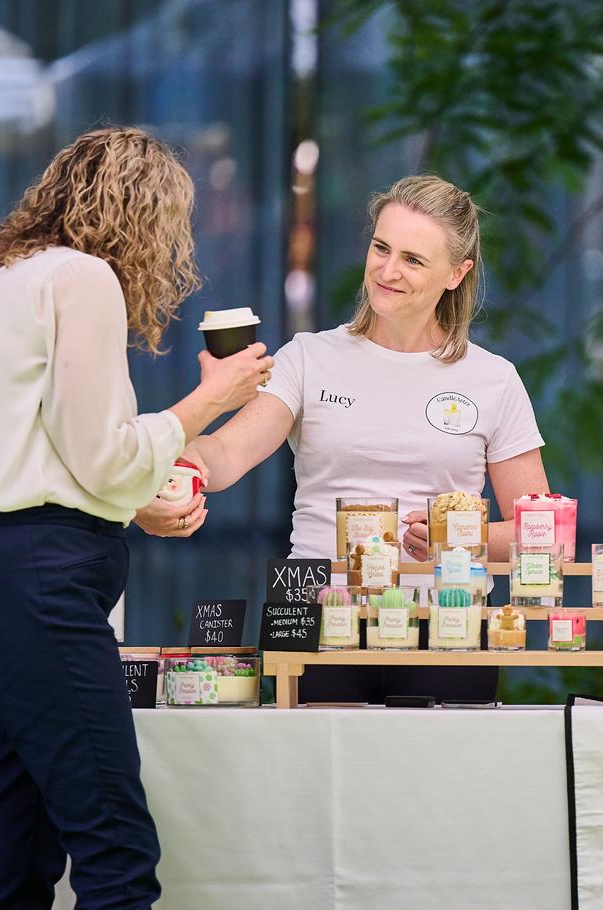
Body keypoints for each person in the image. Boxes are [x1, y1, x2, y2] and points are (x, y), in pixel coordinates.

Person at [0, 127, 273, 910]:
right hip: (39, 586)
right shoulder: (82, 279)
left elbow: (59, 459)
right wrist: (211, 399)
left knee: (15, 870)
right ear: (141, 214)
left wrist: (135, 503)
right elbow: (102, 453)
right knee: (116, 845)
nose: (171, 251)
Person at [186, 174, 551, 702]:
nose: (387, 270)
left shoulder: (492, 378)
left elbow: (539, 531)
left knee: (442, 784)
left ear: (457, 273)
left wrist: (458, 538)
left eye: (413, 260)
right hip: (317, 613)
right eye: (381, 248)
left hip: (448, 619)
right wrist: (176, 447)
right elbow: (224, 456)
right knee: (319, 779)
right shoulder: (308, 358)